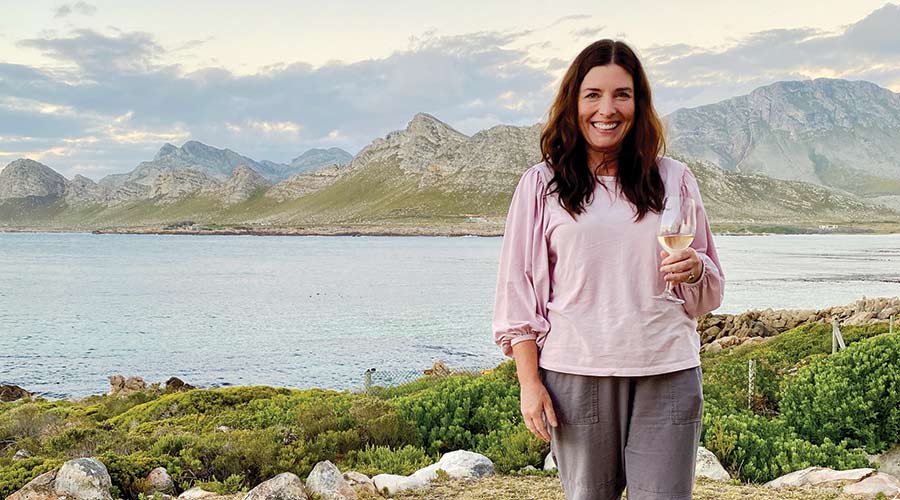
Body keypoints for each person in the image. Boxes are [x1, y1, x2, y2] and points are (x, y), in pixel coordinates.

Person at [492, 39, 724, 500]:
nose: (607, 109)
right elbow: (517, 293)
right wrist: (529, 384)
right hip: (576, 375)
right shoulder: (540, 184)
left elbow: (708, 292)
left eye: (622, 94)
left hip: (668, 370)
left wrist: (696, 269)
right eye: (593, 94)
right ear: (573, 103)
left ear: (639, 104)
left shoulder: (675, 179)